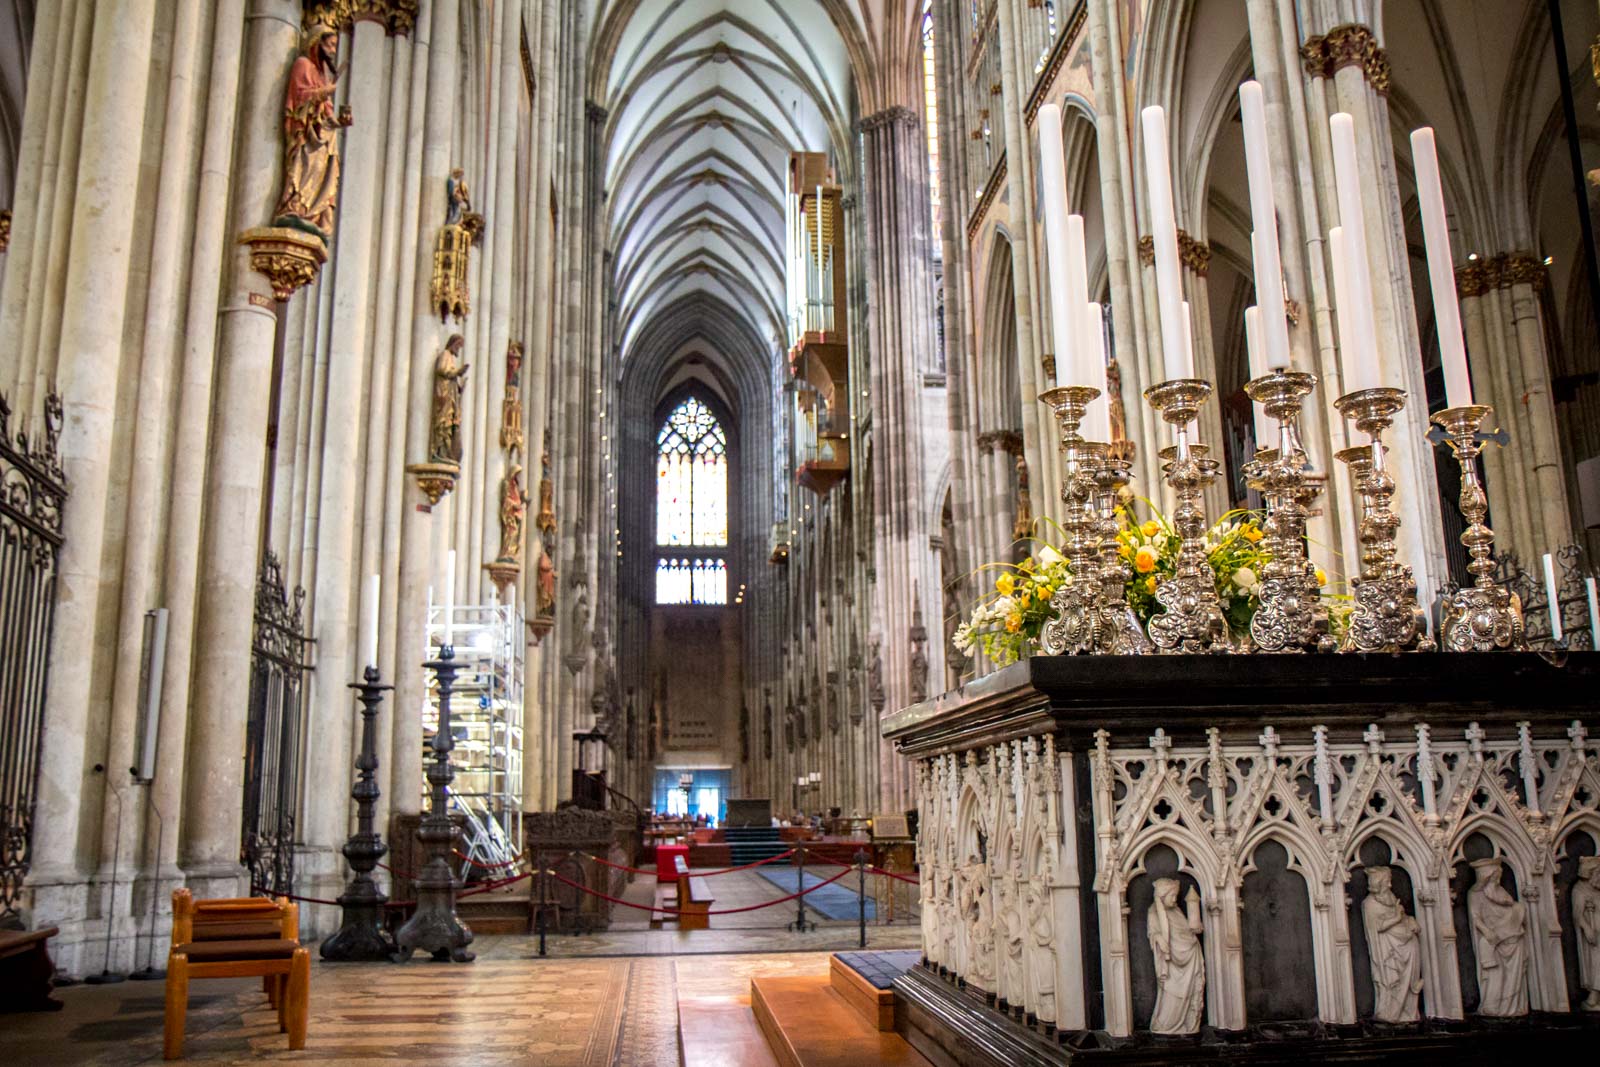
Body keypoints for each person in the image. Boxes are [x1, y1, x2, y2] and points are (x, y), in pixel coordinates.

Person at [272, 23, 352, 241]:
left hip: (322, 139)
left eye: (336, 46)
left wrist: (340, 122)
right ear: (318, 43)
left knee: (323, 173)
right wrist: (323, 92)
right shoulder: (302, 65)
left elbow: (326, 115)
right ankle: (293, 205)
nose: (334, 51)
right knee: (302, 168)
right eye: (331, 45)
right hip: (306, 136)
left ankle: (311, 213)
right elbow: (299, 98)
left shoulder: (321, 75)